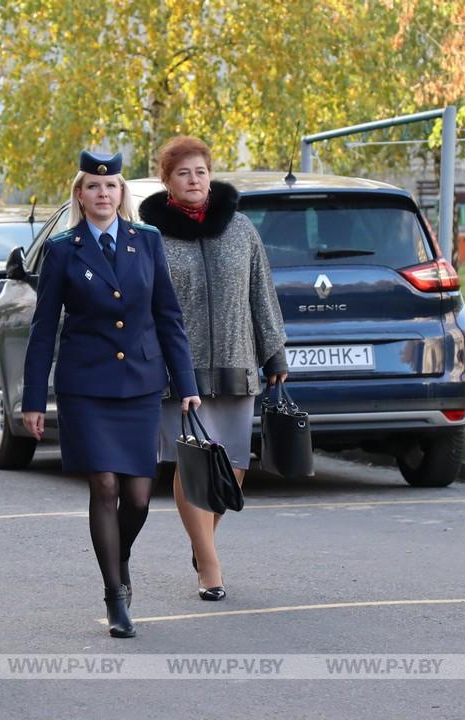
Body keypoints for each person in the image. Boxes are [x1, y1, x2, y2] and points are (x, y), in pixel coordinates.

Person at [22, 150, 201, 638]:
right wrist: (33, 400)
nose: (103, 194)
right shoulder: (63, 249)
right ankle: (115, 594)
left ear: (122, 195)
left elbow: (168, 315)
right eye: (94, 187)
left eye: (112, 187)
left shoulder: (146, 242)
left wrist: (186, 384)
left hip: (141, 383)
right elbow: (43, 331)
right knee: (103, 485)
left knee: (139, 497)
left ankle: (117, 557)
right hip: (87, 386)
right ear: (80, 194)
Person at [139, 135, 287, 602]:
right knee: (194, 460)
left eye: (200, 171)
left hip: (238, 359)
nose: (194, 180)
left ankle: (203, 543)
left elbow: (261, 293)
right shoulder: (151, 237)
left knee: (235, 463)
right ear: (167, 183)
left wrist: (274, 352)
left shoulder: (240, 229)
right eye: (183, 173)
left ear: (211, 175)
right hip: (179, 367)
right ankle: (209, 564)